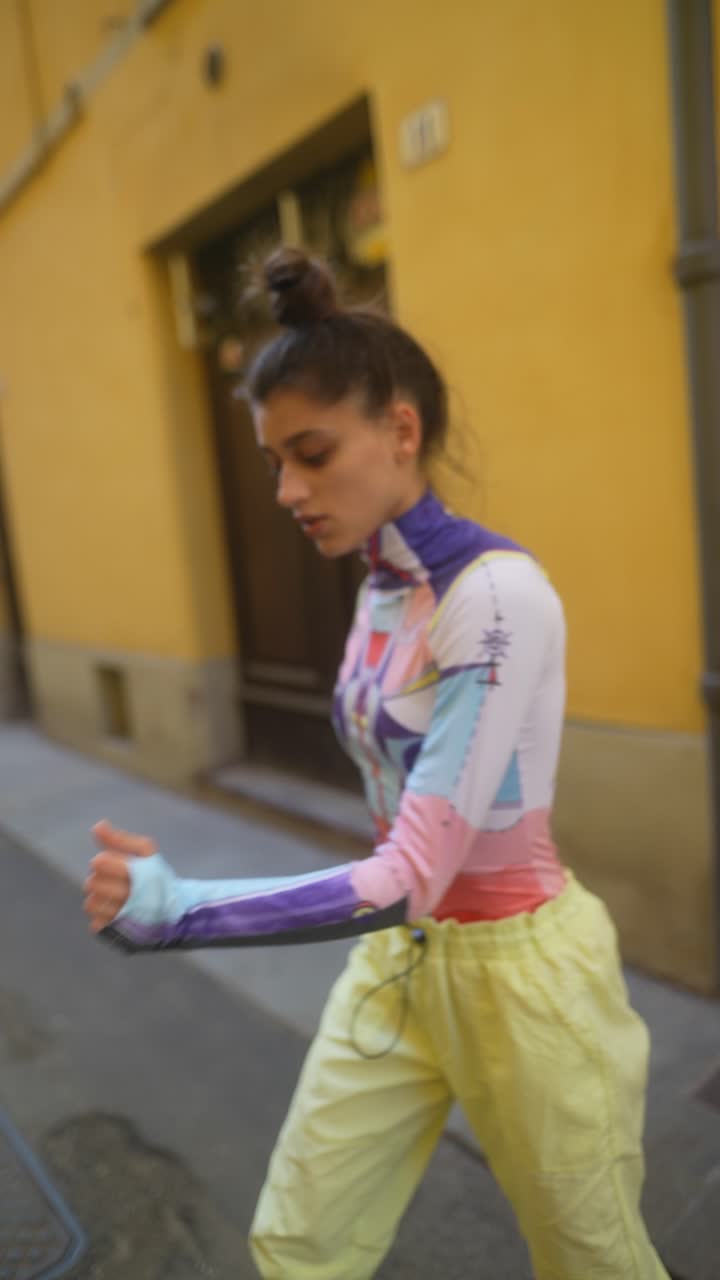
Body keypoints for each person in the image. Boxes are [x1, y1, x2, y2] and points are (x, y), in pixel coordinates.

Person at [83, 247, 669, 1279]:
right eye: (273, 460)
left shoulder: (493, 597)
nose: (286, 489)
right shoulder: (381, 587)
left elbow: (411, 873)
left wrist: (182, 906)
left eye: (311, 452)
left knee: (593, 1261)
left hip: (521, 978)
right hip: (400, 970)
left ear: (402, 430)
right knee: (298, 1242)